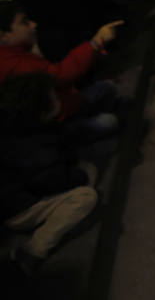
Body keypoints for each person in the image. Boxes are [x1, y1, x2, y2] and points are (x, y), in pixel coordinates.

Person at [0, 72, 98, 284]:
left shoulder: (26, 130)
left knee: (86, 169)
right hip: (20, 209)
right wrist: (79, 176)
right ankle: (33, 250)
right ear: (39, 110)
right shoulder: (32, 147)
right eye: (54, 98)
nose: (59, 100)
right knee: (86, 196)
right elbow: (51, 177)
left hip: (23, 192)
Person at [0, 1, 124, 142]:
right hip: (58, 122)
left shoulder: (12, 54)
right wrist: (96, 42)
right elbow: (60, 75)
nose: (33, 25)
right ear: (3, 35)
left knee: (107, 88)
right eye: (25, 22)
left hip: (65, 103)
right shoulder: (13, 64)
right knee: (109, 121)